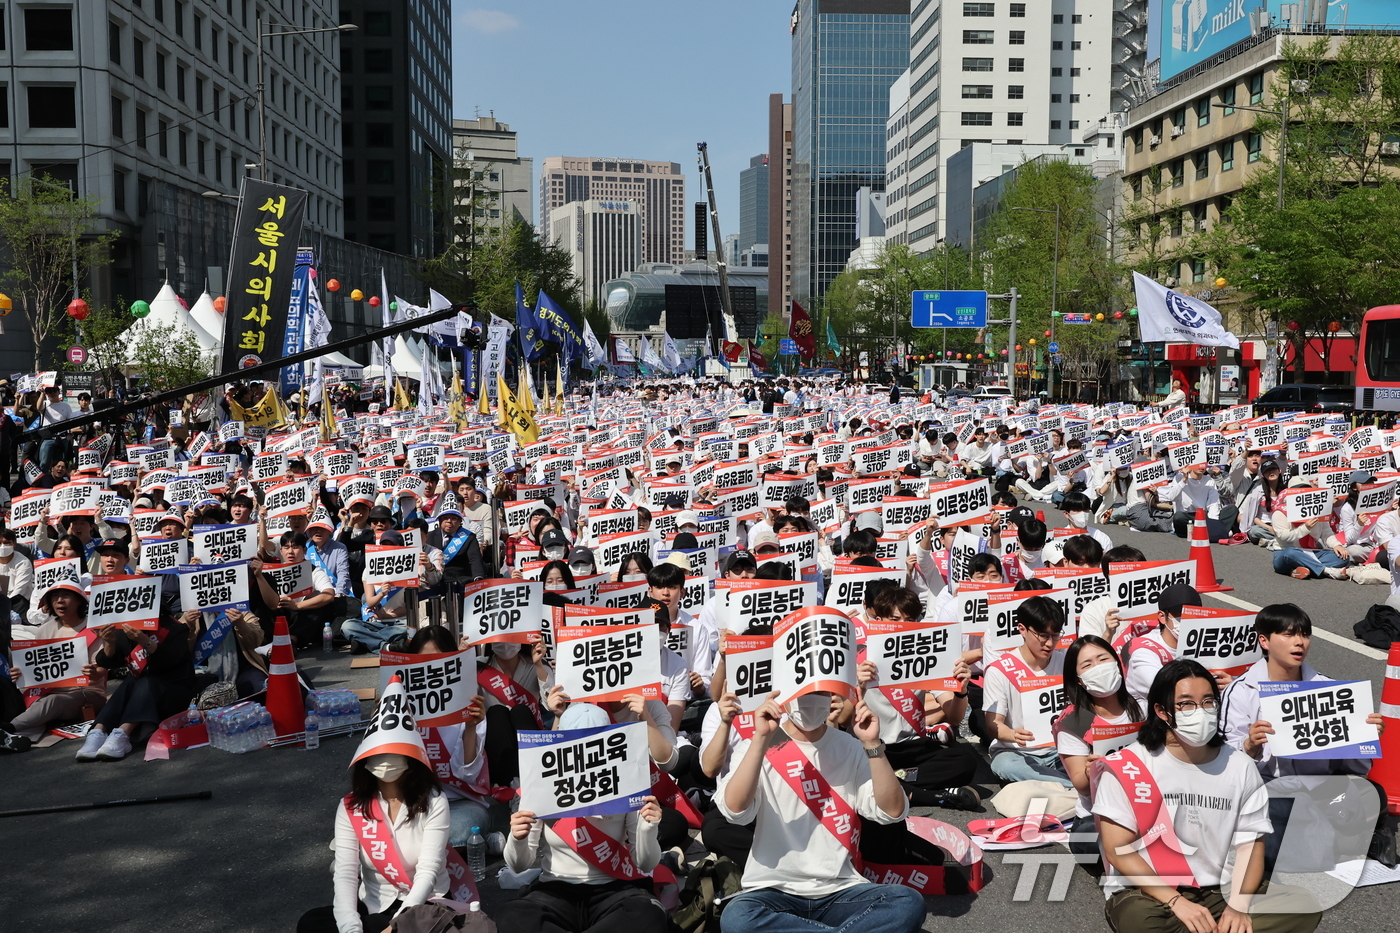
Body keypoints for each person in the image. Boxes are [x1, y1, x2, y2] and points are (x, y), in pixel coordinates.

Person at [1093, 659, 1321, 933]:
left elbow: (1251, 846)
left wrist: (1238, 906)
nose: (1199, 711)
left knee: (1303, 905)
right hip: (1151, 892)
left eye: (1208, 702)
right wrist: (1176, 901)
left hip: (1220, 889)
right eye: (1186, 704)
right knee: (1140, 921)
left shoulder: (1240, 766)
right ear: (1162, 711)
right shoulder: (1128, 766)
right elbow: (1117, 850)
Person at [715, 686, 927, 933]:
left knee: (907, 903)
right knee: (738, 919)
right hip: (772, 890)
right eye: (802, 692)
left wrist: (872, 743)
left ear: (832, 696)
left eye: (819, 692)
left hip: (842, 889)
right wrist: (761, 739)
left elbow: (892, 811)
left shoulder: (850, 746)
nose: (810, 701)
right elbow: (735, 811)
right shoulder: (757, 744)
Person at [1220, 603, 1393, 869]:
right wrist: (1249, 746)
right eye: (1288, 635)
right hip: (1269, 790)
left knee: (1371, 793)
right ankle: (1338, 841)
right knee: (1278, 839)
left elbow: (1350, 768)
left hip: (1319, 788)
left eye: (1304, 635)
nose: (1299, 643)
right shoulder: (1241, 691)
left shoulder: (1327, 689)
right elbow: (1225, 767)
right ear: (1264, 641)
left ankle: (1335, 837)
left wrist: (1363, 739)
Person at [495, 702, 668, 933]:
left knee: (649, 914)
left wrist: (648, 829)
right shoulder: (540, 783)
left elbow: (646, 863)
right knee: (511, 916)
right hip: (554, 889)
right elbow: (519, 866)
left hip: (613, 889)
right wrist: (516, 838)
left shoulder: (626, 781)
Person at [297, 681, 453, 933]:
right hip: (373, 902)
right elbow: (346, 874)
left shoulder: (434, 801)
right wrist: (350, 928)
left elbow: (428, 871)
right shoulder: (351, 806)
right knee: (312, 923)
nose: (386, 758)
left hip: (424, 903)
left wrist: (397, 926)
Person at [858, 585, 982, 809]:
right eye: (895, 620)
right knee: (854, 768)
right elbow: (840, 718)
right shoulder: (860, 660)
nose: (903, 627)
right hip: (874, 747)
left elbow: (954, 716)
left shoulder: (926, 655)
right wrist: (857, 686)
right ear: (878, 619)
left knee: (965, 762)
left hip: (912, 747)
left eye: (910, 620)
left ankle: (894, 784)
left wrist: (961, 690)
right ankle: (932, 796)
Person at [405, 626, 509, 848]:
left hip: (459, 803)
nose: (432, 667)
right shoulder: (401, 700)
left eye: (440, 660)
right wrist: (383, 719)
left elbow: (469, 774)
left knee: (460, 831)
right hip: (411, 800)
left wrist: (471, 728)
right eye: (424, 660)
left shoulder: (468, 701)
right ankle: (478, 846)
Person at [1053, 635, 1144, 866]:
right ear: (1080, 680)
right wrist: (1091, 770)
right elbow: (1082, 786)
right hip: (1097, 815)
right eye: (1087, 665)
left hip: (1146, 802)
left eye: (1103, 659)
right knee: (1098, 844)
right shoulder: (1072, 722)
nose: (1098, 668)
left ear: (1116, 662)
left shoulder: (1142, 709)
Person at [73, 607, 196, 762]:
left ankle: (123, 733)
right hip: (142, 694)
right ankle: (98, 732)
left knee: (145, 680)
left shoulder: (174, 627)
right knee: (131, 681)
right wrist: (109, 642)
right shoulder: (125, 629)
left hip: (173, 691)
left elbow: (170, 660)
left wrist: (145, 641)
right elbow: (109, 661)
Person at [1, 582, 108, 752]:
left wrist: (94, 672)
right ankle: (14, 739)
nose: (59, 601)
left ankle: (8, 729)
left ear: (80, 601)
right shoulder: (43, 630)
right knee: (39, 705)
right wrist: (21, 674)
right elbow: (36, 669)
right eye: (55, 597)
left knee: (52, 702)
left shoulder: (94, 630)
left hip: (87, 693)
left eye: (66, 596)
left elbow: (103, 669)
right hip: (48, 692)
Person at [982, 595, 1073, 788]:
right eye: (1043, 635)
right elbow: (993, 724)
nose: (1050, 643)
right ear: (1022, 629)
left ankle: (1059, 784)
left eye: (1055, 635)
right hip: (1016, 753)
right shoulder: (1000, 670)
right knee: (1004, 765)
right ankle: (1072, 785)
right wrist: (1013, 735)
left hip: (1059, 749)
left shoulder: (1066, 662)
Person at [1124, 582, 1205, 707]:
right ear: (1162, 617)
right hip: (1148, 720)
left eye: (1193, 614)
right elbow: (1166, 691)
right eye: (1180, 616)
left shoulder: (1207, 643)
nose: (1188, 620)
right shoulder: (1144, 651)